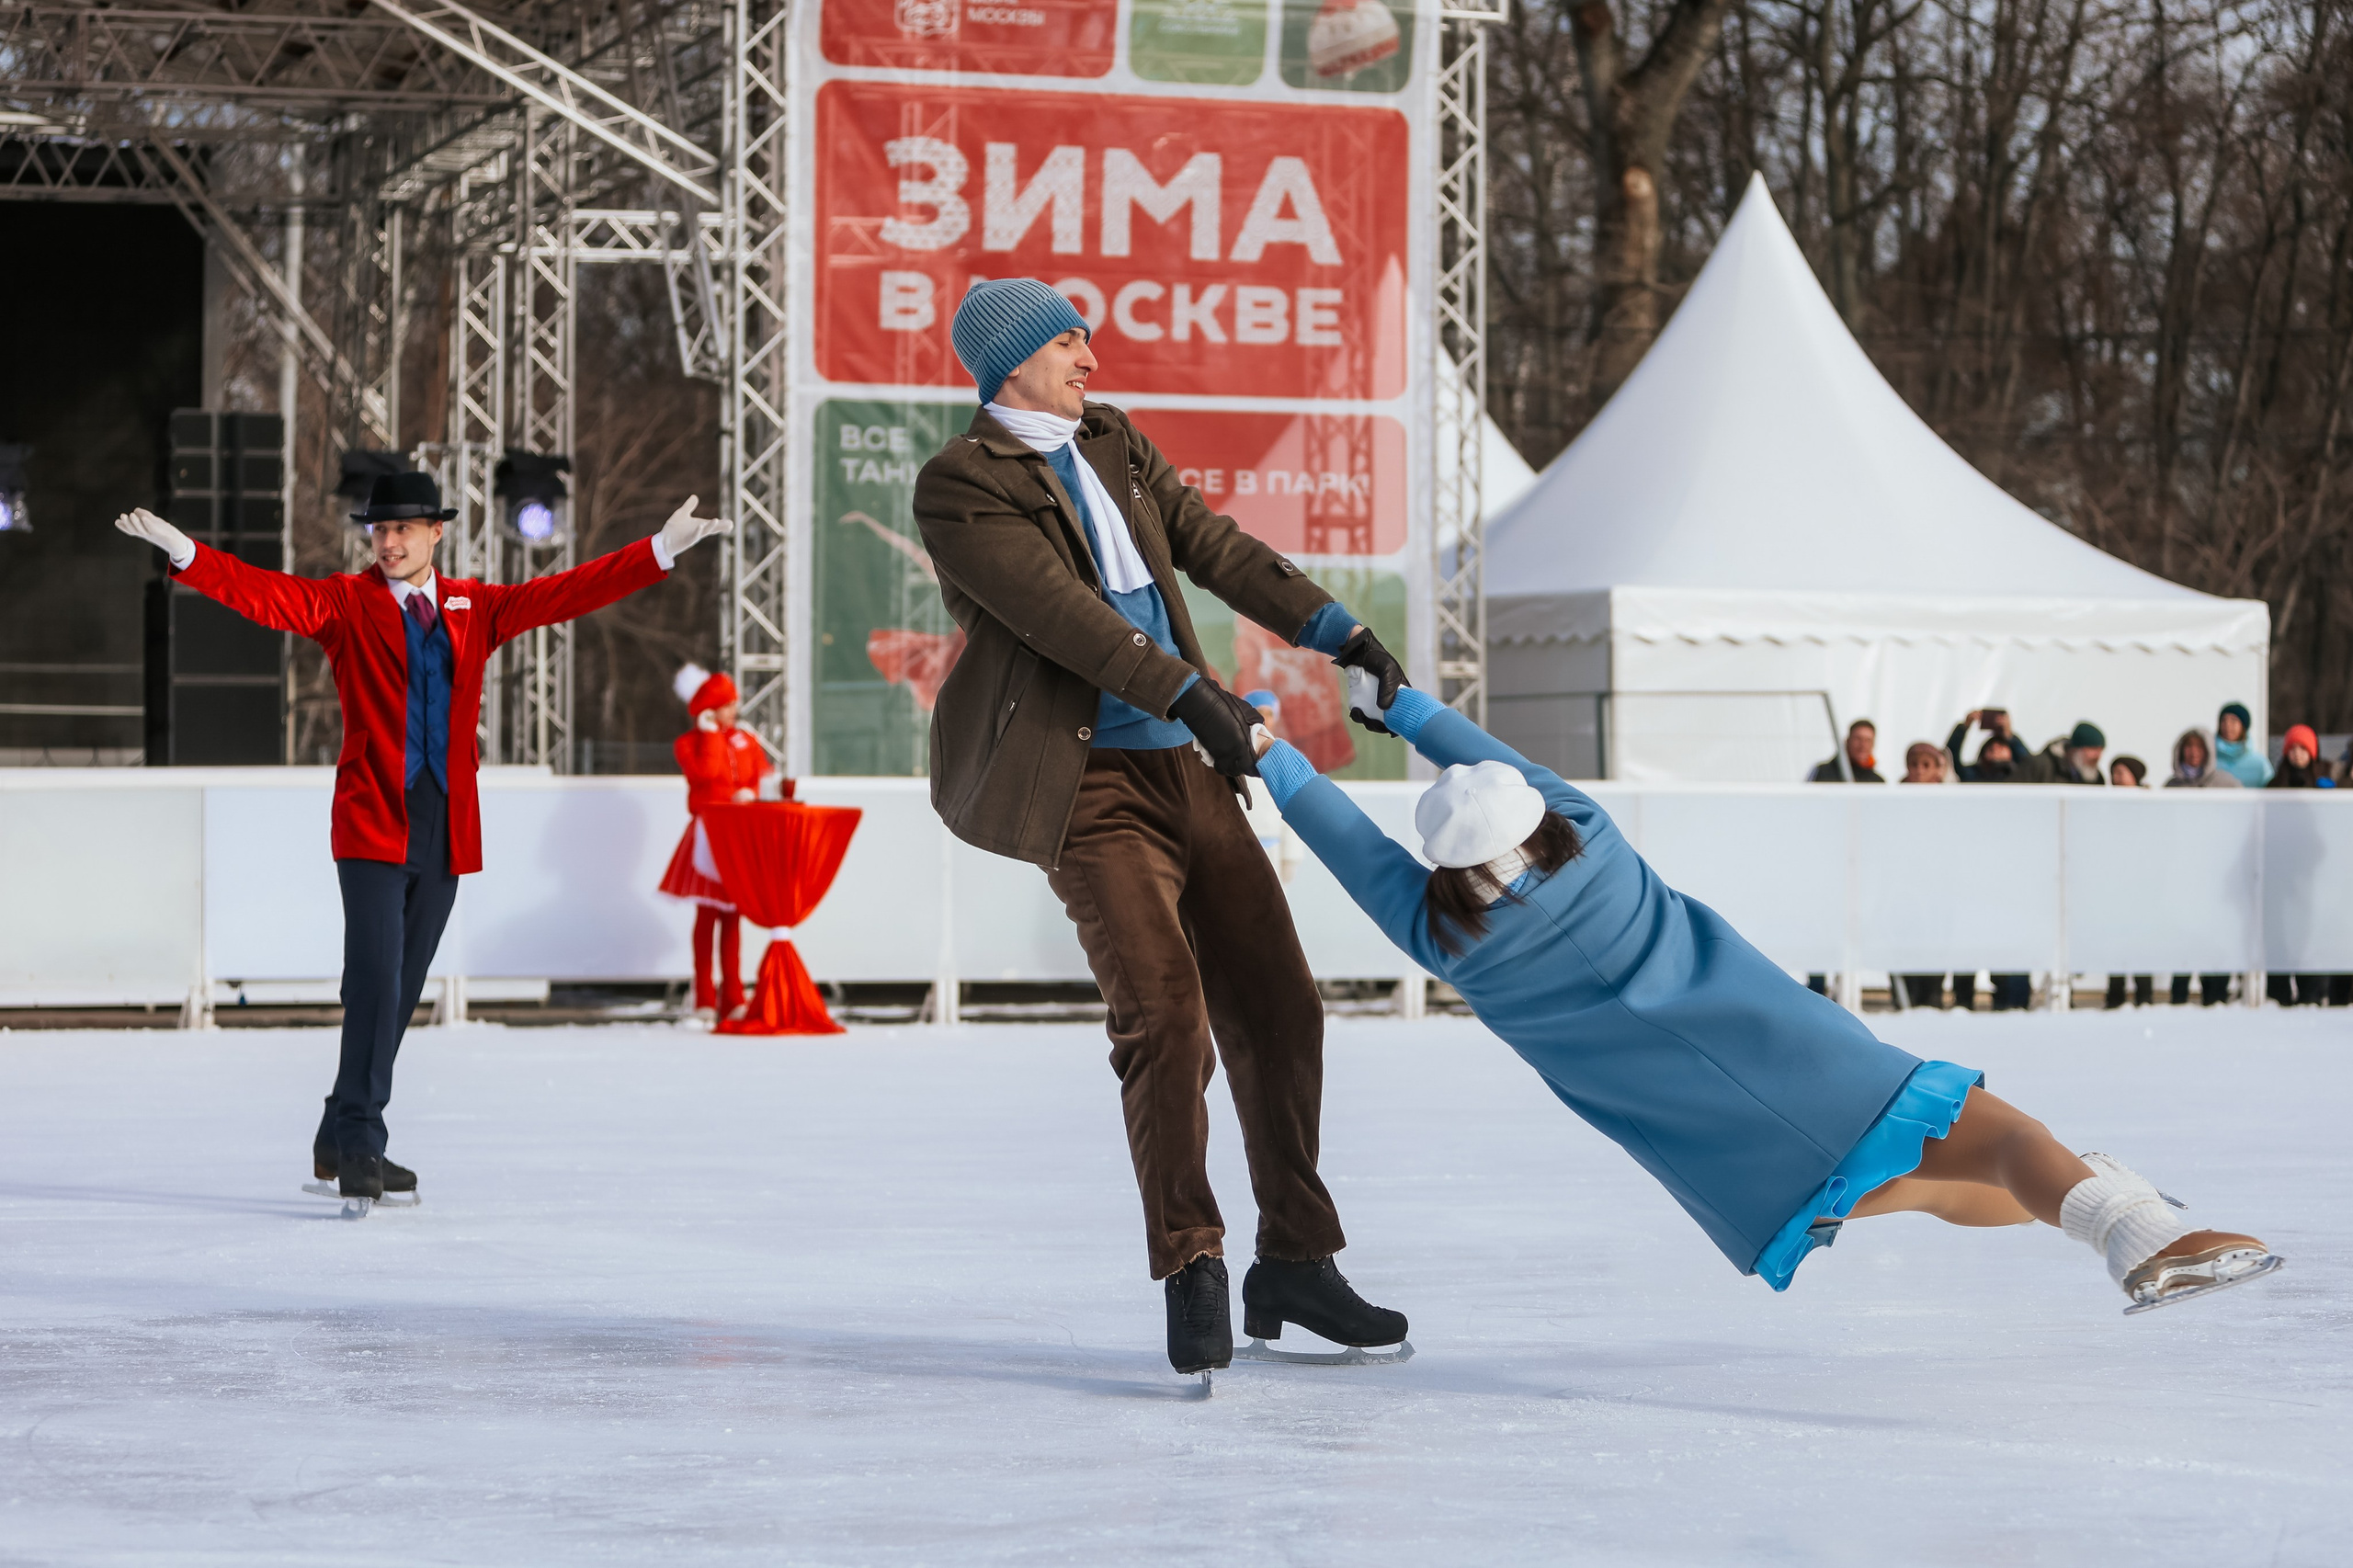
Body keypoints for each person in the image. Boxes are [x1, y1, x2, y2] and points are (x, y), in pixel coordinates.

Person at [1245, 677, 2283, 1314]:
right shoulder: (1594, 840)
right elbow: (1494, 760)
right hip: (1807, 1066)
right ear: (1539, 821)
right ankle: (2134, 1232)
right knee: (2004, 1136)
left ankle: (2097, 1190)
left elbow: (1341, 837)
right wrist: (1403, 704)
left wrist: (1263, 751)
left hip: (1729, 1152)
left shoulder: (1447, 939)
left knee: (1934, 1187)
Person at [911, 278, 1406, 1375]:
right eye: (1068, 336)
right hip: (1086, 786)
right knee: (1165, 1014)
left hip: (1185, 767)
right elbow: (1064, 616)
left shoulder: (1114, 442)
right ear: (1010, 361)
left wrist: (1342, 630)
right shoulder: (959, 485)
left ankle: (1297, 1260)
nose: (1092, 350)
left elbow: (1211, 544)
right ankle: (1193, 1258)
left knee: (1279, 1001)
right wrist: (1197, 696)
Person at [115, 478, 732, 1208]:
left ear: (436, 533)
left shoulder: (477, 605)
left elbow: (567, 593)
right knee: (374, 978)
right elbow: (267, 595)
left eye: (405, 529)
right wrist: (185, 553)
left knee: (402, 989)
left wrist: (658, 550)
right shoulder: (346, 602)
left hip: (445, 824)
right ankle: (362, 1146)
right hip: (373, 816)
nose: (390, 541)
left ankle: (337, 1127)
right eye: (380, 530)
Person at [660, 663, 782, 1022]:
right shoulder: (688, 744)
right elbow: (705, 773)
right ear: (710, 710)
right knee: (707, 916)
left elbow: (761, 775)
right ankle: (703, 997)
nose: (734, 710)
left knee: (732, 917)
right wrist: (711, 735)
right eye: (727, 704)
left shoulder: (746, 740)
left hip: (736, 834)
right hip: (707, 835)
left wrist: (749, 793)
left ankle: (732, 996)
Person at [2265, 725, 2342, 1006]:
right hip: (2282, 873)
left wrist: (2332, 798)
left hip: (2315, 874)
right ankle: (2279, 993)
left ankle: (2312, 991)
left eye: (2303, 748)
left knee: (2311, 931)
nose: (2297, 754)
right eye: (2292, 748)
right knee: (2281, 931)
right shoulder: (2275, 786)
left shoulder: (2325, 782)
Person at [2165, 727, 2240, 1006]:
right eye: (2188, 746)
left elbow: (2241, 827)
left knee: (2214, 940)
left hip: (2217, 880)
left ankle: (2216, 997)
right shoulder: (2172, 787)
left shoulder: (2227, 785)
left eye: (2199, 747)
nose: (2193, 753)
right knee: (2183, 938)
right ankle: (2179, 998)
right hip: (2184, 879)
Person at [1895, 743, 1954, 1007]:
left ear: (1938, 771)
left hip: (1938, 888)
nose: (1919, 771)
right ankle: (1905, 1000)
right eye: (1914, 764)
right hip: (1903, 889)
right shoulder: (1893, 799)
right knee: (1903, 945)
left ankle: (1933, 999)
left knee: (1935, 946)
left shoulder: (1948, 803)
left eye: (1926, 765)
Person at [2104, 756, 2154, 1008]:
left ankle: (2144, 996)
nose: (2116, 778)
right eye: (2114, 773)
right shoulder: (2107, 807)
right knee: (2115, 942)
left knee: (2141, 942)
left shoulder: (2147, 808)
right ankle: (2115, 996)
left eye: (2121, 773)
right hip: (2115, 887)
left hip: (2141, 888)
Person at [2214, 702, 2273, 788]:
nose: (2227, 725)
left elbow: (2271, 793)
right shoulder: (2209, 761)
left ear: (2243, 726)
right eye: (2224, 720)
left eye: (2233, 720)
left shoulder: (2259, 763)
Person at [1808, 719, 1881, 782]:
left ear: (1873, 744)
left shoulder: (1878, 782)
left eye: (1868, 740)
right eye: (1858, 739)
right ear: (1847, 741)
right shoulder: (1823, 772)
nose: (1863, 745)